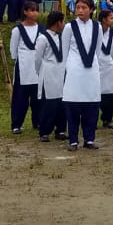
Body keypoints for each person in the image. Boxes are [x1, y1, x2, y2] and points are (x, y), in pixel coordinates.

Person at [61, 0, 105, 150]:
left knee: (91, 104)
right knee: (73, 105)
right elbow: (64, 49)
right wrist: (67, 68)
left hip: (91, 70)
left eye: (84, 7)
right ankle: (73, 140)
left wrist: (93, 63)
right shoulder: (69, 27)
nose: (80, 10)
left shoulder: (98, 27)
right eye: (78, 7)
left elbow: (98, 49)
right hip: (74, 69)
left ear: (91, 10)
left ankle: (89, 139)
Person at [9, 1, 42, 134]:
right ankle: (16, 124)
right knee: (20, 98)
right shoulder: (17, 30)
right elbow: (13, 50)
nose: (34, 13)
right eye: (32, 10)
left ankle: (37, 121)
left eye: (36, 10)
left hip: (38, 67)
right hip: (23, 67)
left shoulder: (41, 29)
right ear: (25, 12)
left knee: (37, 97)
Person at [34, 10, 66, 143]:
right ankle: (45, 131)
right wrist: (40, 72)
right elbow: (37, 58)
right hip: (48, 72)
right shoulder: (43, 38)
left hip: (60, 72)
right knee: (48, 104)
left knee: (61, 103)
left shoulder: (61, 37)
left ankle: (61, 129)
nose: (64, 24)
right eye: (63, 21)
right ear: (58, 22)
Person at [98, 9, 113, 128]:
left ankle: (107, 119)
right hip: (97, 65)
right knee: (96, 92)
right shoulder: (95, 31)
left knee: (109, 93)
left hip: (109, 66)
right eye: (111, 18)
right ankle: (93, 118)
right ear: (104, 20)